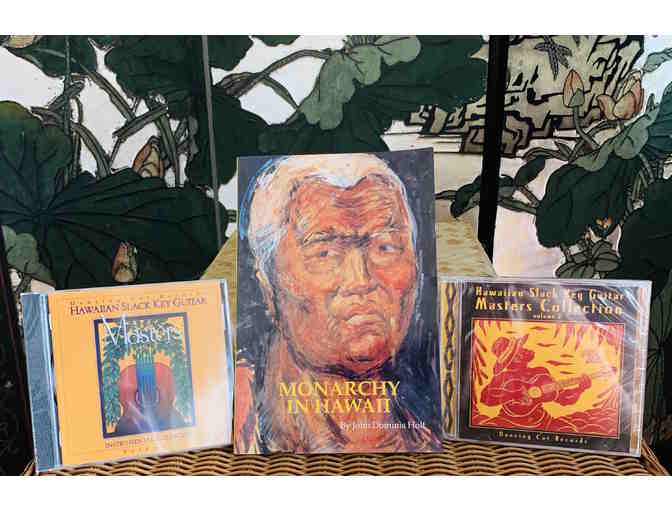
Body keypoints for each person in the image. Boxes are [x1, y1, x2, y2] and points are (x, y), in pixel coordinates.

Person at [235, 154, 440, 453]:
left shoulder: (427, 425)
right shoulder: (243, 418)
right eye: (325, 253)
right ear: (269, 286)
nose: (361, 281)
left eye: (385, 247)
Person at [475, 335, 593, 432]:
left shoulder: (541, 373)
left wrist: (580, 389)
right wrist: (514, 394)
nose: (525, 349)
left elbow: (564, 399)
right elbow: (485, 398)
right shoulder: (503, 377)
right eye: (520, 348)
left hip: (543, 422)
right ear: (515, 357)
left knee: (570, 430)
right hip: (506, 422)